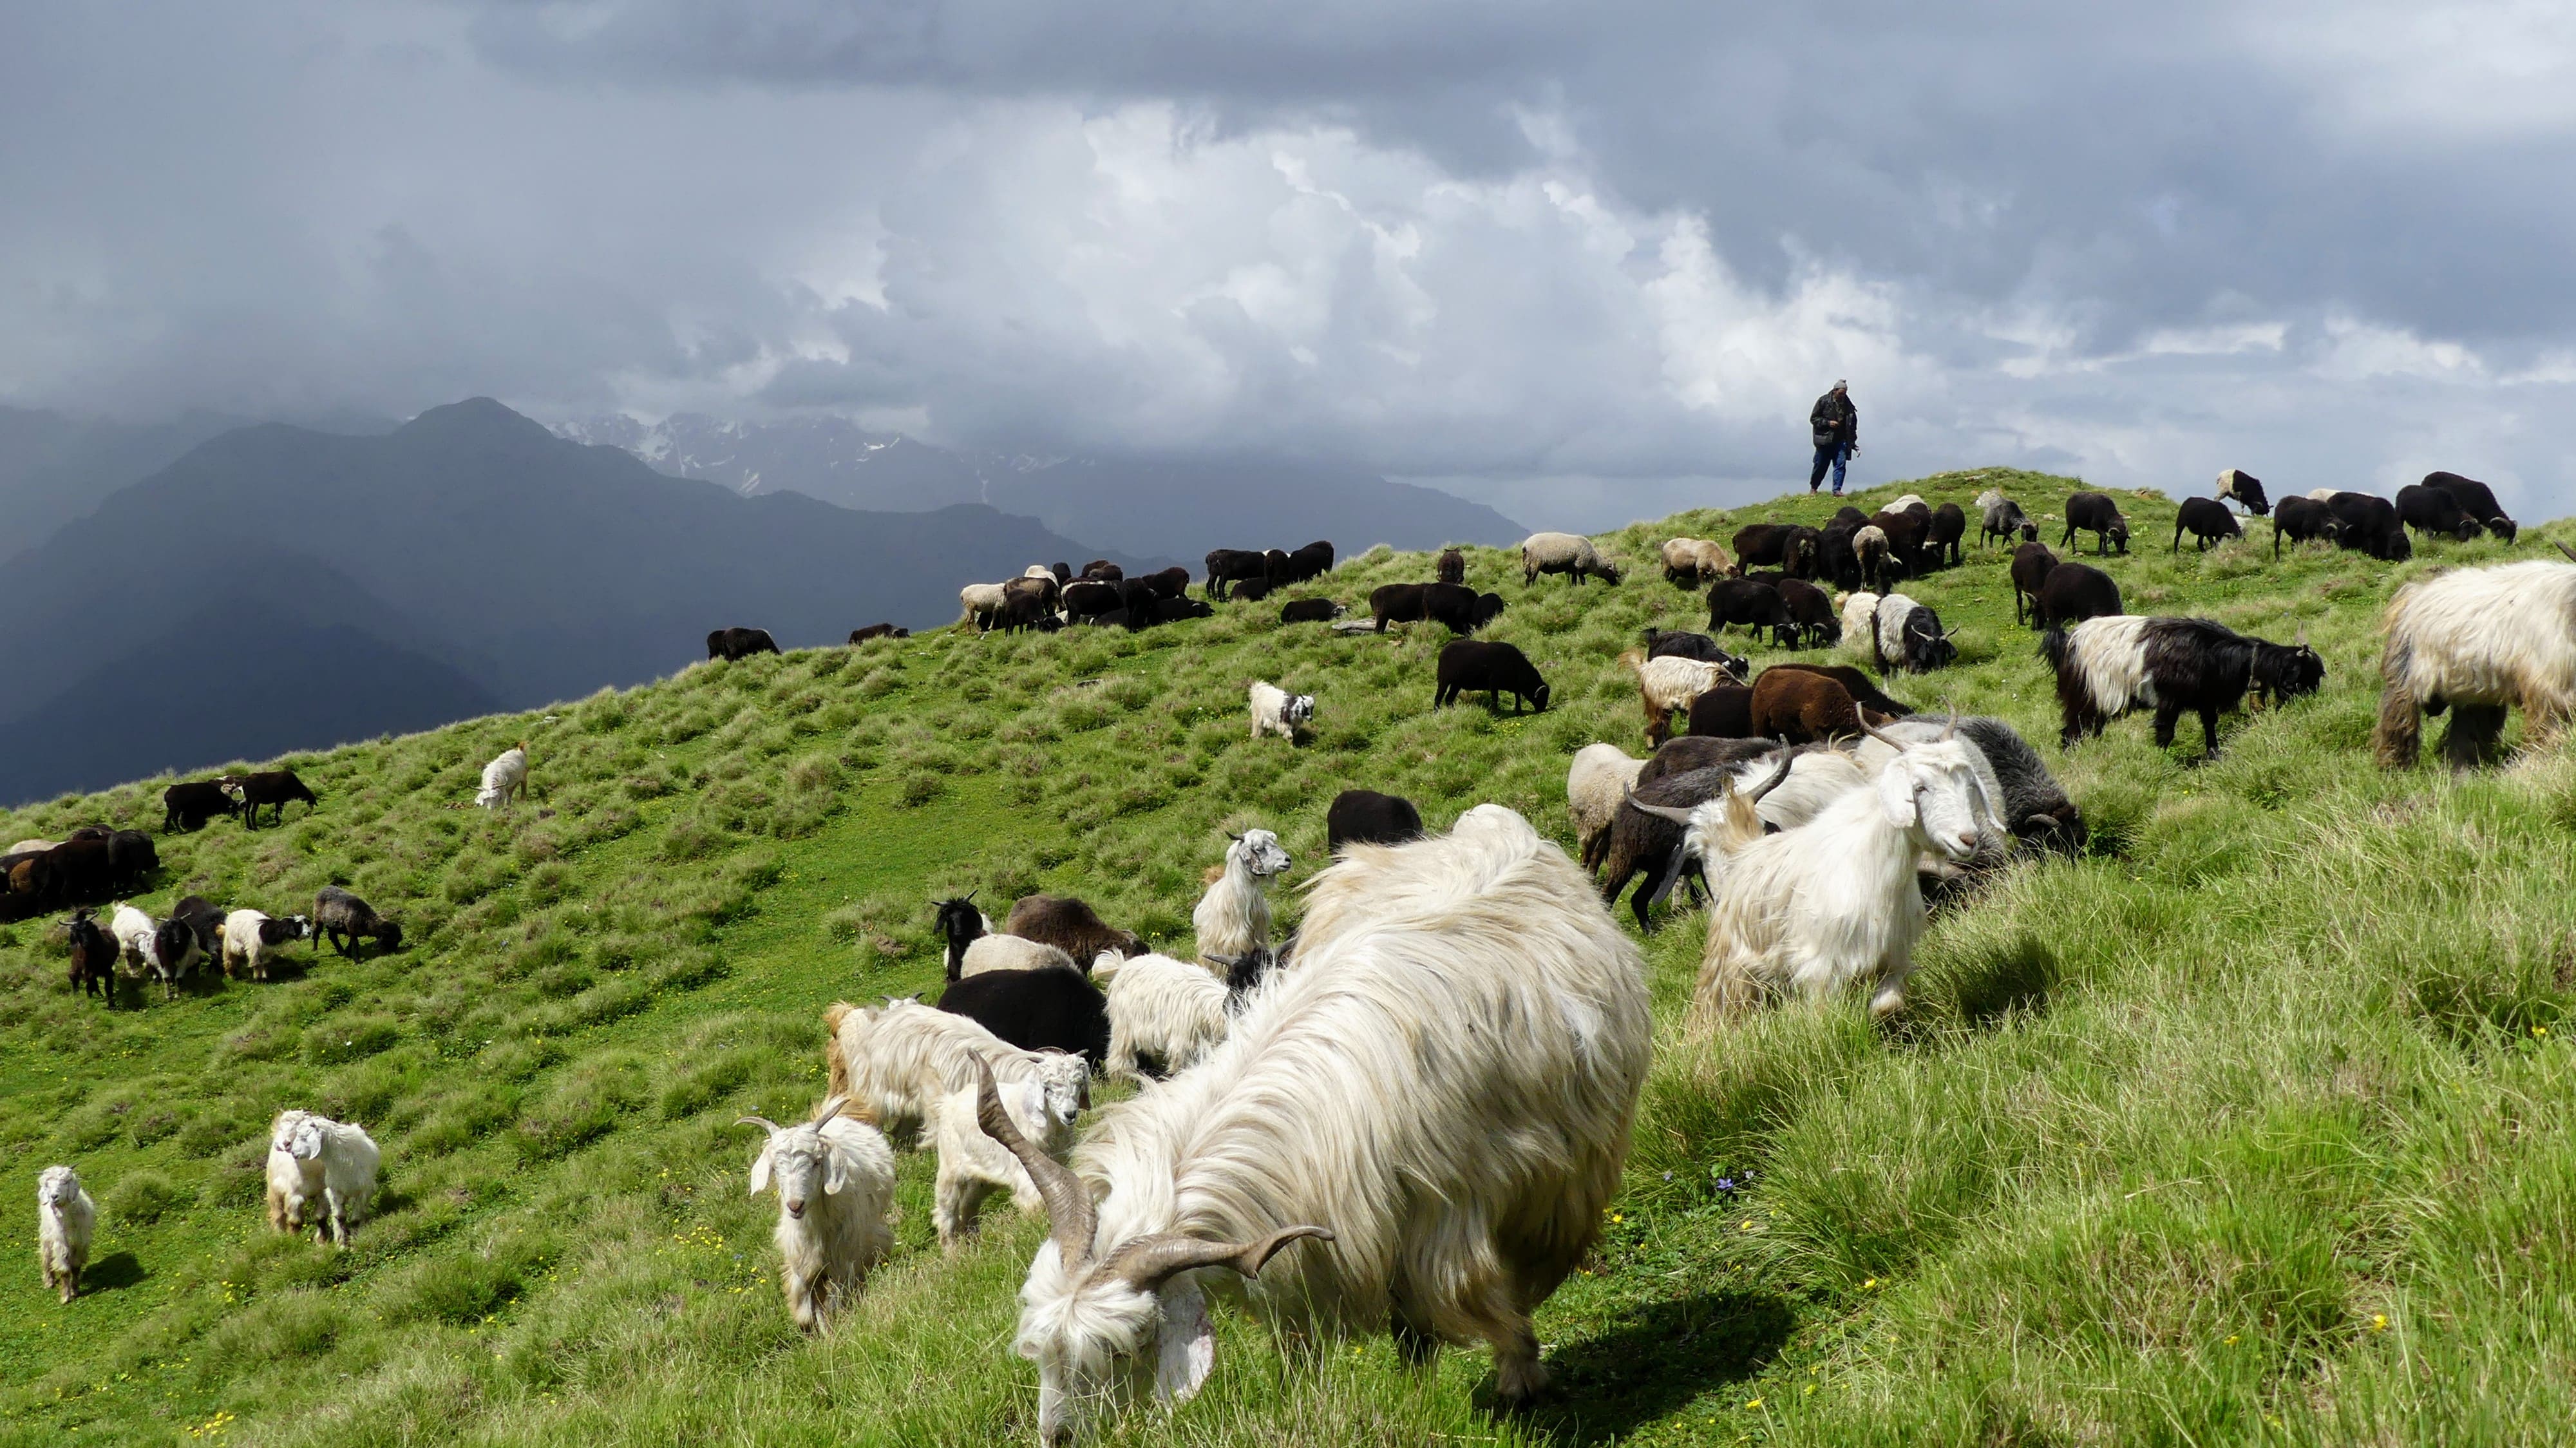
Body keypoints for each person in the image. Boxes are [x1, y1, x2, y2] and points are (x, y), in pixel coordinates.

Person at [1808, 380, 1857, 495]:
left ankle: (1837, 490)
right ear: (1835, 391)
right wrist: (1828, 423)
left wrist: (1853, 441)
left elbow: (1853, 425)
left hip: (1841, 441)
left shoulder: (1849, 405)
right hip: (1825, 440)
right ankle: (1814, 488)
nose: (1842, 396)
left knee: (1840, 465)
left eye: (1844, 393)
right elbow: (1814, 419)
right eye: (1841, 393)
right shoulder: (1823, 401)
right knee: (1820, 465)